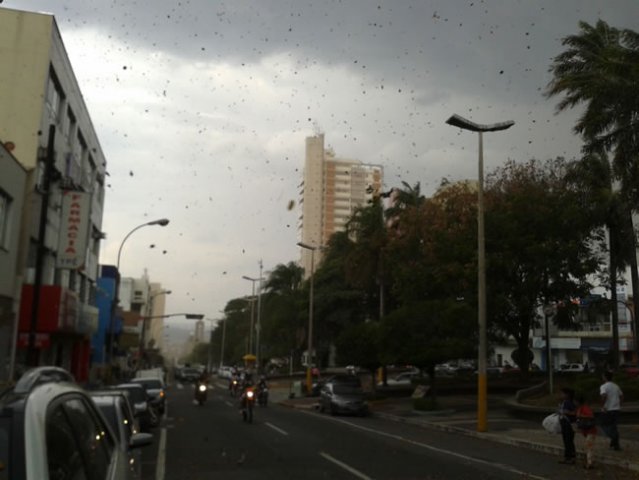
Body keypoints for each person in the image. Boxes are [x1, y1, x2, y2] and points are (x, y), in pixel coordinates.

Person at [600, 371, 623, 451]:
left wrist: (603, 406)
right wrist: (619, 404)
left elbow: (604, 395)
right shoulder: (616, 386)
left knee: (604, 426)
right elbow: (621, 396)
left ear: (605, 377)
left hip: (608, 409)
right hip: (616, 409)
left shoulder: (603, 386)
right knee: (613, 427)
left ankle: (614, 440)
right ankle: (615, 444)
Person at [576, 395, 597, 469]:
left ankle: (590, 463)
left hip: (590, 430)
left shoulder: (585, 408)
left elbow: (591, 416)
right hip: (586, 430)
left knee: (589, 447)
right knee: (588, 447)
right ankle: (590, 461)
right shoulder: (580, 408)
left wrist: (581, 416)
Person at [558, 387, 577, 464]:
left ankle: (570, 457)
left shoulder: (568, 402)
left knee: (568, 441)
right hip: (565, 423)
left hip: (568, 423)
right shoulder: (565, 402)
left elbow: (574, 412)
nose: (561, 395)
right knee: (567, 441)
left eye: (562, 394)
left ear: (567, 395)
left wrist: (566, 412)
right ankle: (568, 457)